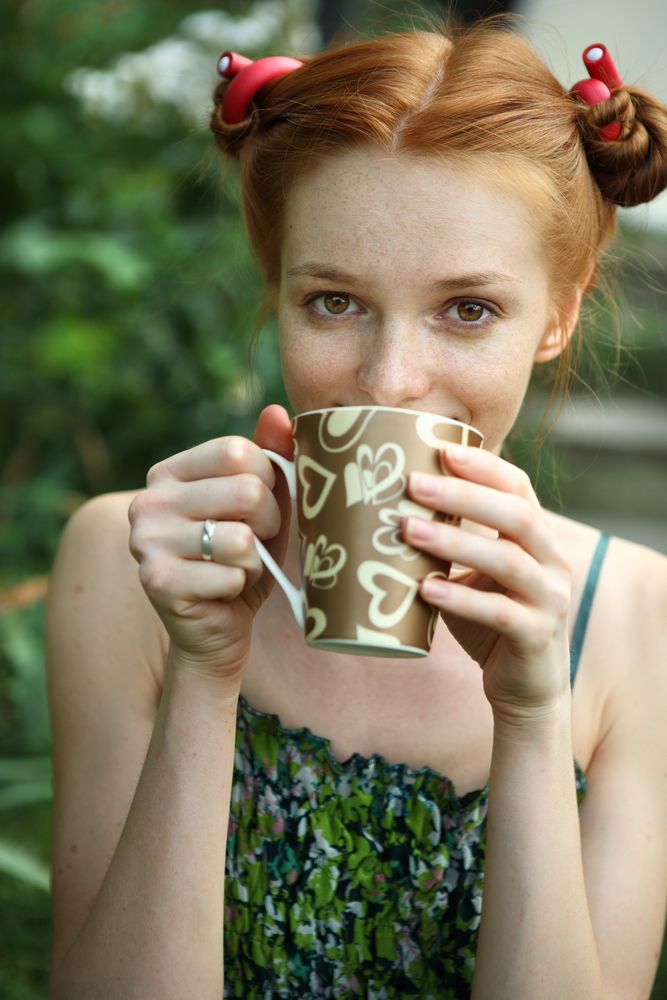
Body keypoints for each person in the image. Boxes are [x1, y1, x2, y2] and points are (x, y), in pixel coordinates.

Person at [46, 18, 667, 1000]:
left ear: (558, 313)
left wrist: (534, 720)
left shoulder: (636, 618)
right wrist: (204, 675)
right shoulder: (129, 564)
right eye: (334, 301)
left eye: (468, 309)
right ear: (277, 288)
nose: (389, 381)